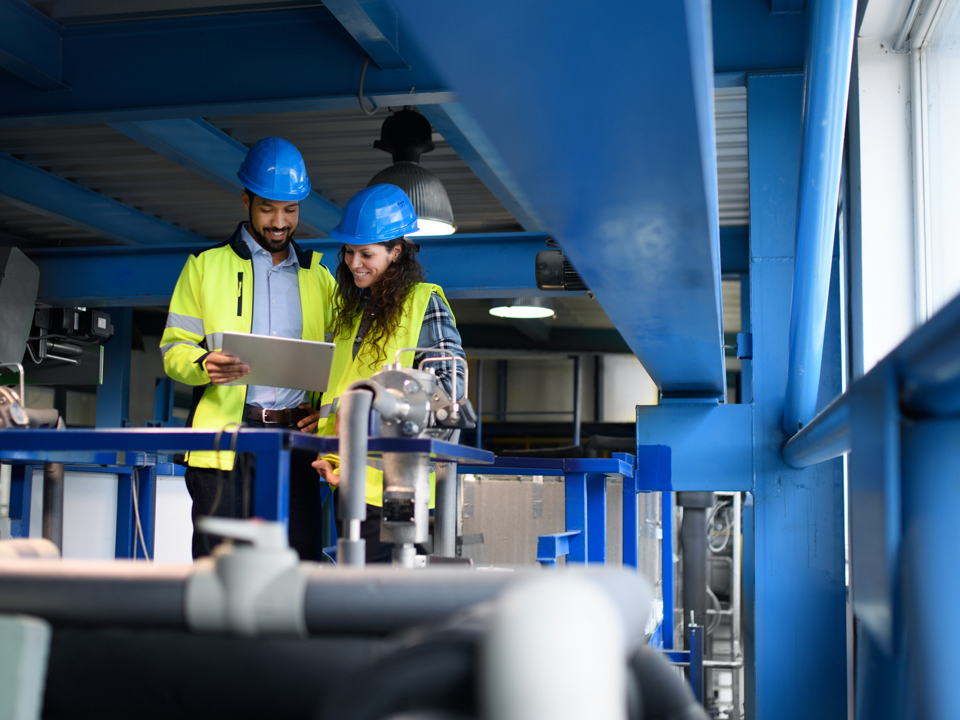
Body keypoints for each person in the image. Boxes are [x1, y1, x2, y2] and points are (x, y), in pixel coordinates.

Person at [160, 137, 337, 560]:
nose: (280, 221)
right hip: (225, 442)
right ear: (245, 200)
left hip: (297, 444)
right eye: (267, 208)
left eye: (290, 210)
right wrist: (203, 363)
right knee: (220, 568)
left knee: (300, 566)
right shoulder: (204, 268)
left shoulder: (321, 278)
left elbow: (339, 362)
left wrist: (325, 411)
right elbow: (173, 351)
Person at [312, 184, 465, 563]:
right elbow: (343, 399)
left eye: (366, 254)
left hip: (400, 489)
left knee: (390, 604)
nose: (353, 263)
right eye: (348, 252)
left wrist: (372, 422)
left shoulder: (423, 303)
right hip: (348, 484)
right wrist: (330, 451)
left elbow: (447, 400)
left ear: (396, 252)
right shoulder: (351, 314)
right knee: (359, 601)